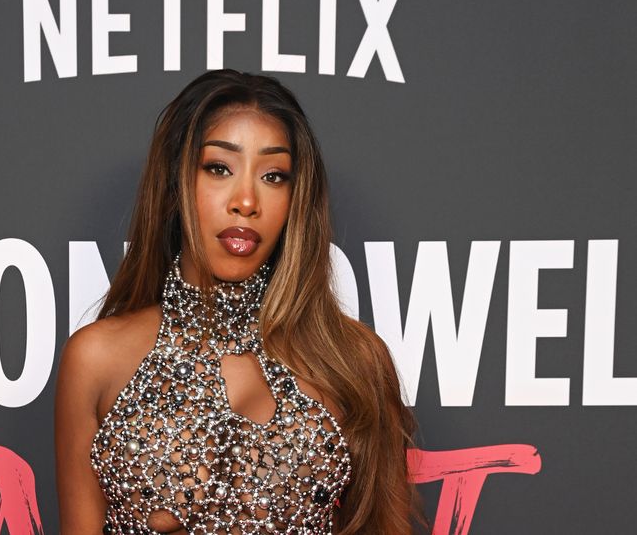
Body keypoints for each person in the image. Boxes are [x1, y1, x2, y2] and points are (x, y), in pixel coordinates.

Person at [55, 69, 418, 534]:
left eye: (273, 176)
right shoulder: (97, 358)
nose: (246, 201)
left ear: (295, 199)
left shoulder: (356, 362)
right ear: (175, 186)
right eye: (219, 168)